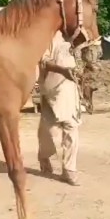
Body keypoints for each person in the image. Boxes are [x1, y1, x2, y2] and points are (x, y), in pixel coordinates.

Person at [37, 31, 82, 186]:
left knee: (72, 125)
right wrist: (62, 70)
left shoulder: (75, 37)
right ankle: (44, 156)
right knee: (48, 131)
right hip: (50, 90)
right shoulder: (50, 35)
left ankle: (69, 170)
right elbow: (43, 60)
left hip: (70, 88)